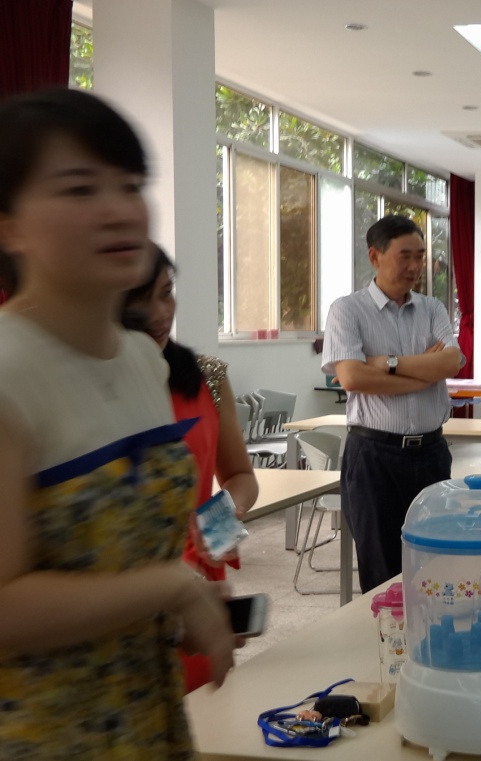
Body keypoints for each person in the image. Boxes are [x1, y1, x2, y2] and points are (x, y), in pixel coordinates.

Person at [0, 88, 237, 757]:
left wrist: (189, 594)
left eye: (131, 185)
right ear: (9, 226)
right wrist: (174, 585)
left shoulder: (143, 360)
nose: (120, 210)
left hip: (149, 715)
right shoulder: (8, 371)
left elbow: (208, 496)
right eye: (79, 189)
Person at [123, 245, 259, 693]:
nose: (160, 313)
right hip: (130, 588)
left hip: (202, 580)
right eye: (139, 300)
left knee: (207, 708)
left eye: (166, 293)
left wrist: (223, 520)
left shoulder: (206, 377)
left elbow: (241, 477)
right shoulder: (86, 390)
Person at [322, 214, 463, 593]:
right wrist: (424, 375)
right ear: (375, 256)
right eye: (405, 256)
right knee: (382, 573)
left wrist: (388, 363)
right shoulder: (346, 310)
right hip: (374, 458)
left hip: (431, 454)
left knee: (437, 568)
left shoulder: (432, 309)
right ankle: (386, 634)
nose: (415, 266)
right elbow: (352, 378)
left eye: (420, 256)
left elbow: (451, 362)